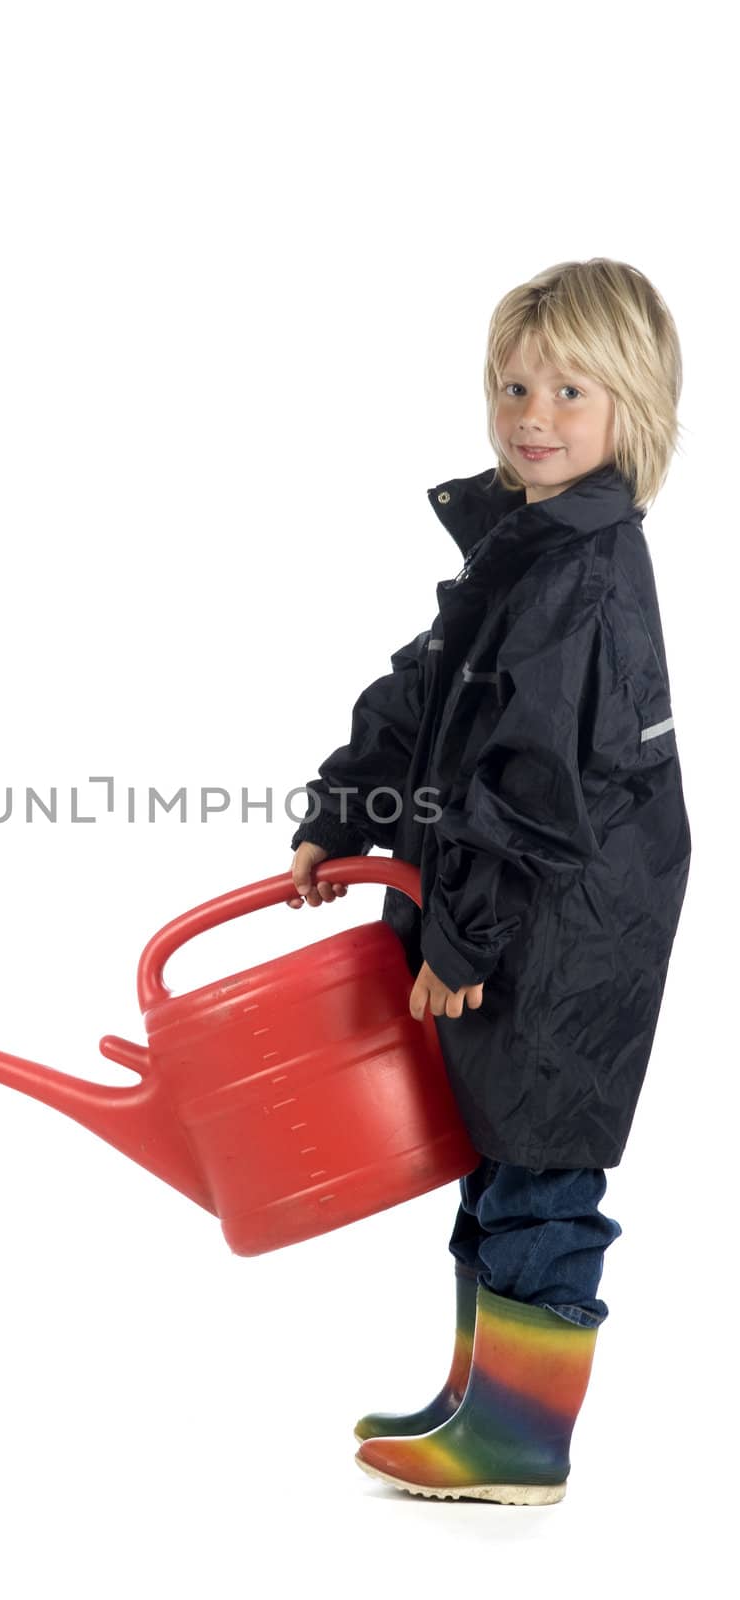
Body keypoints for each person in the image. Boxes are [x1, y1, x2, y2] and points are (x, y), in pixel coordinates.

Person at [288, 258, 691, 1506]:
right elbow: (426, 694)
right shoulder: (524, 553)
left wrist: (462, 937)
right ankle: (482, 1399)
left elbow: (532, 786)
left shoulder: (584, 573)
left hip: (560, 931)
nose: (534, 414)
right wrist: (344, 808)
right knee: (497, 1151)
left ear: (634, 407)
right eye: (515, 385)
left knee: (544, 1162)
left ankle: (522, 1437)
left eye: (573, 389)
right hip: (520, 918)